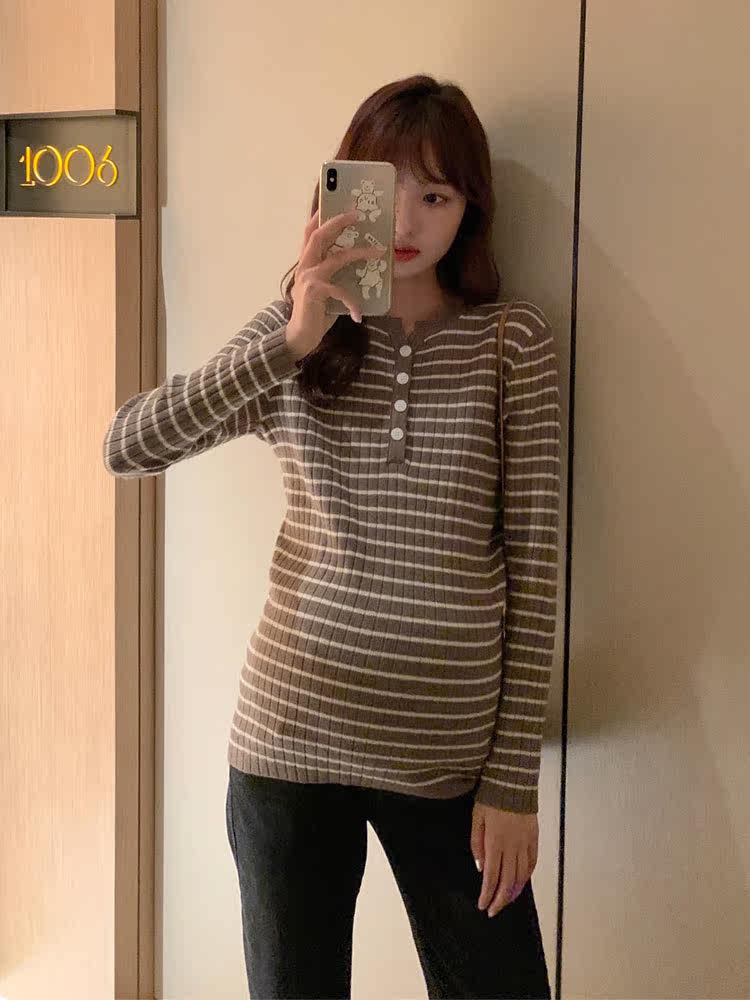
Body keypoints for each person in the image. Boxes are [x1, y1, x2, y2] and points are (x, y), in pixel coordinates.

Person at [103, 74, 561, 1000]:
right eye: (387, 190)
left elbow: (537, 565)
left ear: (470, 210)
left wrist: (514, 782)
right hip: (290, 743)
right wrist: (291, 339)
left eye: (437, 195)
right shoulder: (298, 338)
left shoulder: (511, 343)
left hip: (448, 763)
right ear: (339, 193)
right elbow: (129, 445)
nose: (408, 221)